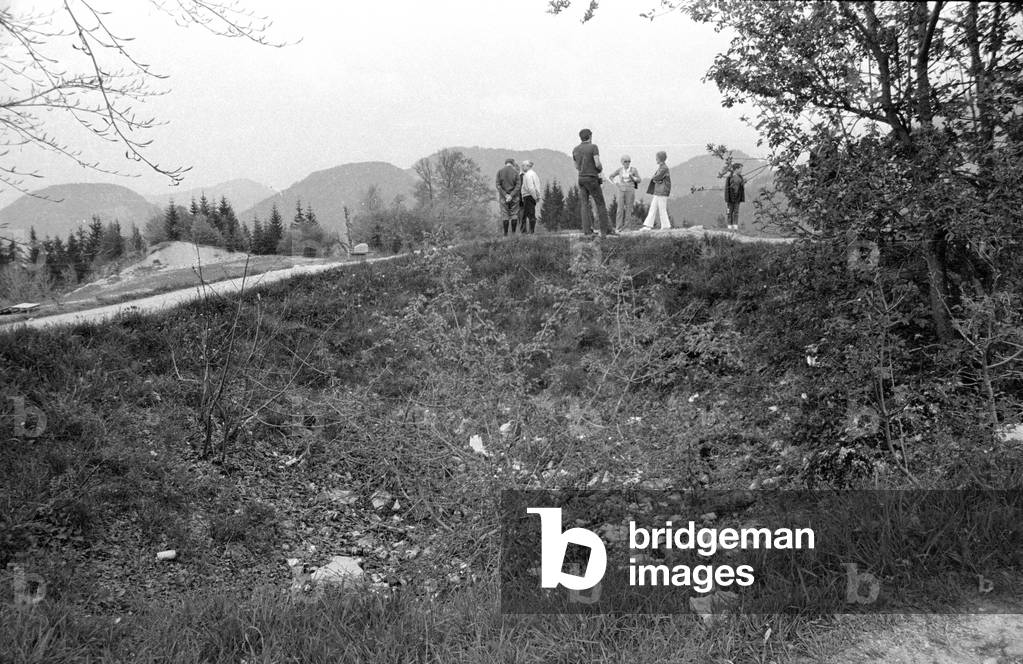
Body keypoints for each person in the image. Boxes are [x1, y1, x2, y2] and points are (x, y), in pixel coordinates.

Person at [571, 128, 613, 237]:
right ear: (590, 136)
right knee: (600, 203)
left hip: (581, 178)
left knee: (584, 204)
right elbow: (597, 163)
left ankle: (587, 231)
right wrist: (599, 169)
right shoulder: (593, 147)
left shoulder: (575, 149)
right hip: (591, 178)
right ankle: (604, 231)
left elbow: (576, 166)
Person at [639, 151, 671, 231]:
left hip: (662, 192)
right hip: (658, 191)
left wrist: (655, 178)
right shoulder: (662, 167)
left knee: (662, 208)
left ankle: (665, 226)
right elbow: (657, 178)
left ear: (660, 159)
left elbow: (656, 177)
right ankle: (648, 225)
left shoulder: (664, 168)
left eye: (657, 158)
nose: (656, 159)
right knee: (653, 208)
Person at [608, 155, 641, 232]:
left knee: (629, 209)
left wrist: (633, 178)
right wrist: (616, 183)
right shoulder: (620, 170)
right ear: (622, 162)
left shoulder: (634, 170)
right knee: (620, 209)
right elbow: (611, 176)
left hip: (630, 189)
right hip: (621, 190)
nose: (627, 163)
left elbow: (639, 180)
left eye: (629, 161)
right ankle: (618, 227)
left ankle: (627, 227)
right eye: (625, 161)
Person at [496, 158, 522, 236]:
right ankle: (513, 234)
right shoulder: (516, 172)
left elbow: (498, 185)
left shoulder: (500, 172)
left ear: (506, 163)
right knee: (514, 214)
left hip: (503, 198)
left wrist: (505, 195)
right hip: (514, 197)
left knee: (505, 214)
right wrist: (511, 195)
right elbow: (518, 185)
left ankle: (505, 234)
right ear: (513, 163)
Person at [519, 160, 542, 234]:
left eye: (523, 165)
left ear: (528, 166)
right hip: (529, 196)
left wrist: (535, 197)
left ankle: (531, 232)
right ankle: (529, 231)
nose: (522, 167)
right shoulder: (532, 174)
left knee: (530, 214)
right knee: (527, 214)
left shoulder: (528, 175)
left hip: (529, 196)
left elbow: (531, 187)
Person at [725, 162, 745, 231]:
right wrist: (727, 199)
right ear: (736, 169)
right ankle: (729, 226)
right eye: (740, 169)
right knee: (729, 212)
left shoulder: (740, 177)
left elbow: (741, 187)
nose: (741, 171)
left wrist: (743, 182)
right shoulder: (729, 177)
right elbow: (727, 189)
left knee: (736, 212)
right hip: (730, 198)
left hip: (737, 198)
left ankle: (735, 226)